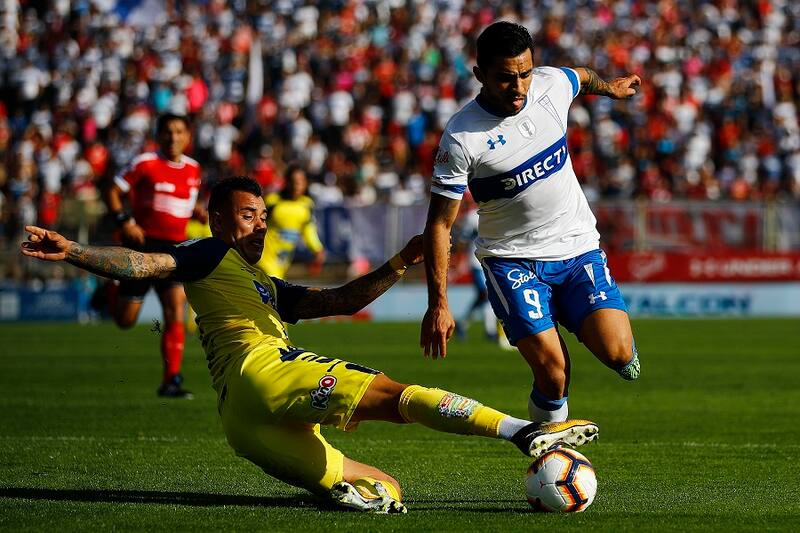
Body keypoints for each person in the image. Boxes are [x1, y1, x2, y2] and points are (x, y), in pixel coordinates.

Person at [21, 176, 598, 514]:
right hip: (263, 369)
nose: (260, 225)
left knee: (387, 494)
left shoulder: (264, 285)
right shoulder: (205, 253)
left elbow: (340, 302)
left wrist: (402, 260)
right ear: (217, 219)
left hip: (245, 424)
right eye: (247, 215)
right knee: (397, 396)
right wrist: (74, 251)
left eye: (263, 216)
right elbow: (145, 264)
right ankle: (526, 432)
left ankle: (346, 490)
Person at [420, 21, 641, 424]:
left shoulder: (550, 84)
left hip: (577, 249)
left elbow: (582, 77)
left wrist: (609, 87)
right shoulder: (461, 138)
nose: (519, 87)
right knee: (554, 374)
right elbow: (439, 225)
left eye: (525, 73)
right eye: (505, 78)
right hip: (513, 261)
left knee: (618, 353)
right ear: (479, 76)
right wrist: (438, 303)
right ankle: (550, 456)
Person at [101, 113, 202, 398]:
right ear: (159, 135)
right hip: (143, 247)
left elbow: (182, 204)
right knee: (125, 320)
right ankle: (110, 288)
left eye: (179, 131)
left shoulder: (194, 169)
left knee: (175, 311)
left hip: (174, 252)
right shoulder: (145, 163)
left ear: (188, 136)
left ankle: (171, 381)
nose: (173, 137)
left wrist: (196, 212)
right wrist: (125, 222)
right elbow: (112, 190)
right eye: (168, 131)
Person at [256, 163, 325, 278]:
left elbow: (308, 230)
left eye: (300, 181)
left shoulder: (306, 205)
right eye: (293, 181)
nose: (296, 185)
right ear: (286, 182)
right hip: (264, 259)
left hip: (282, 263)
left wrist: (317, 249)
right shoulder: (273, 202)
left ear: (306, 183)